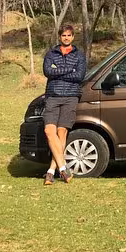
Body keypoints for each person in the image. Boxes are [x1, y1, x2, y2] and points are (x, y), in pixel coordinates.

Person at [41, 25, 87, 185]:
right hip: (53, 96)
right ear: (60, 37)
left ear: (73, 37)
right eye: (63, 35)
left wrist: (59, 70)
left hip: (71, 97)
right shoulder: (51, 54)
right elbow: (47, 72)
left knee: (62, 133)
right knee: (49, 131)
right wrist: (70, 70)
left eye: (69, 35)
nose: (66, 38)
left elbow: (79, 76)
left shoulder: (79, 55)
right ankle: (62, 167)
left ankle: (50, 172)